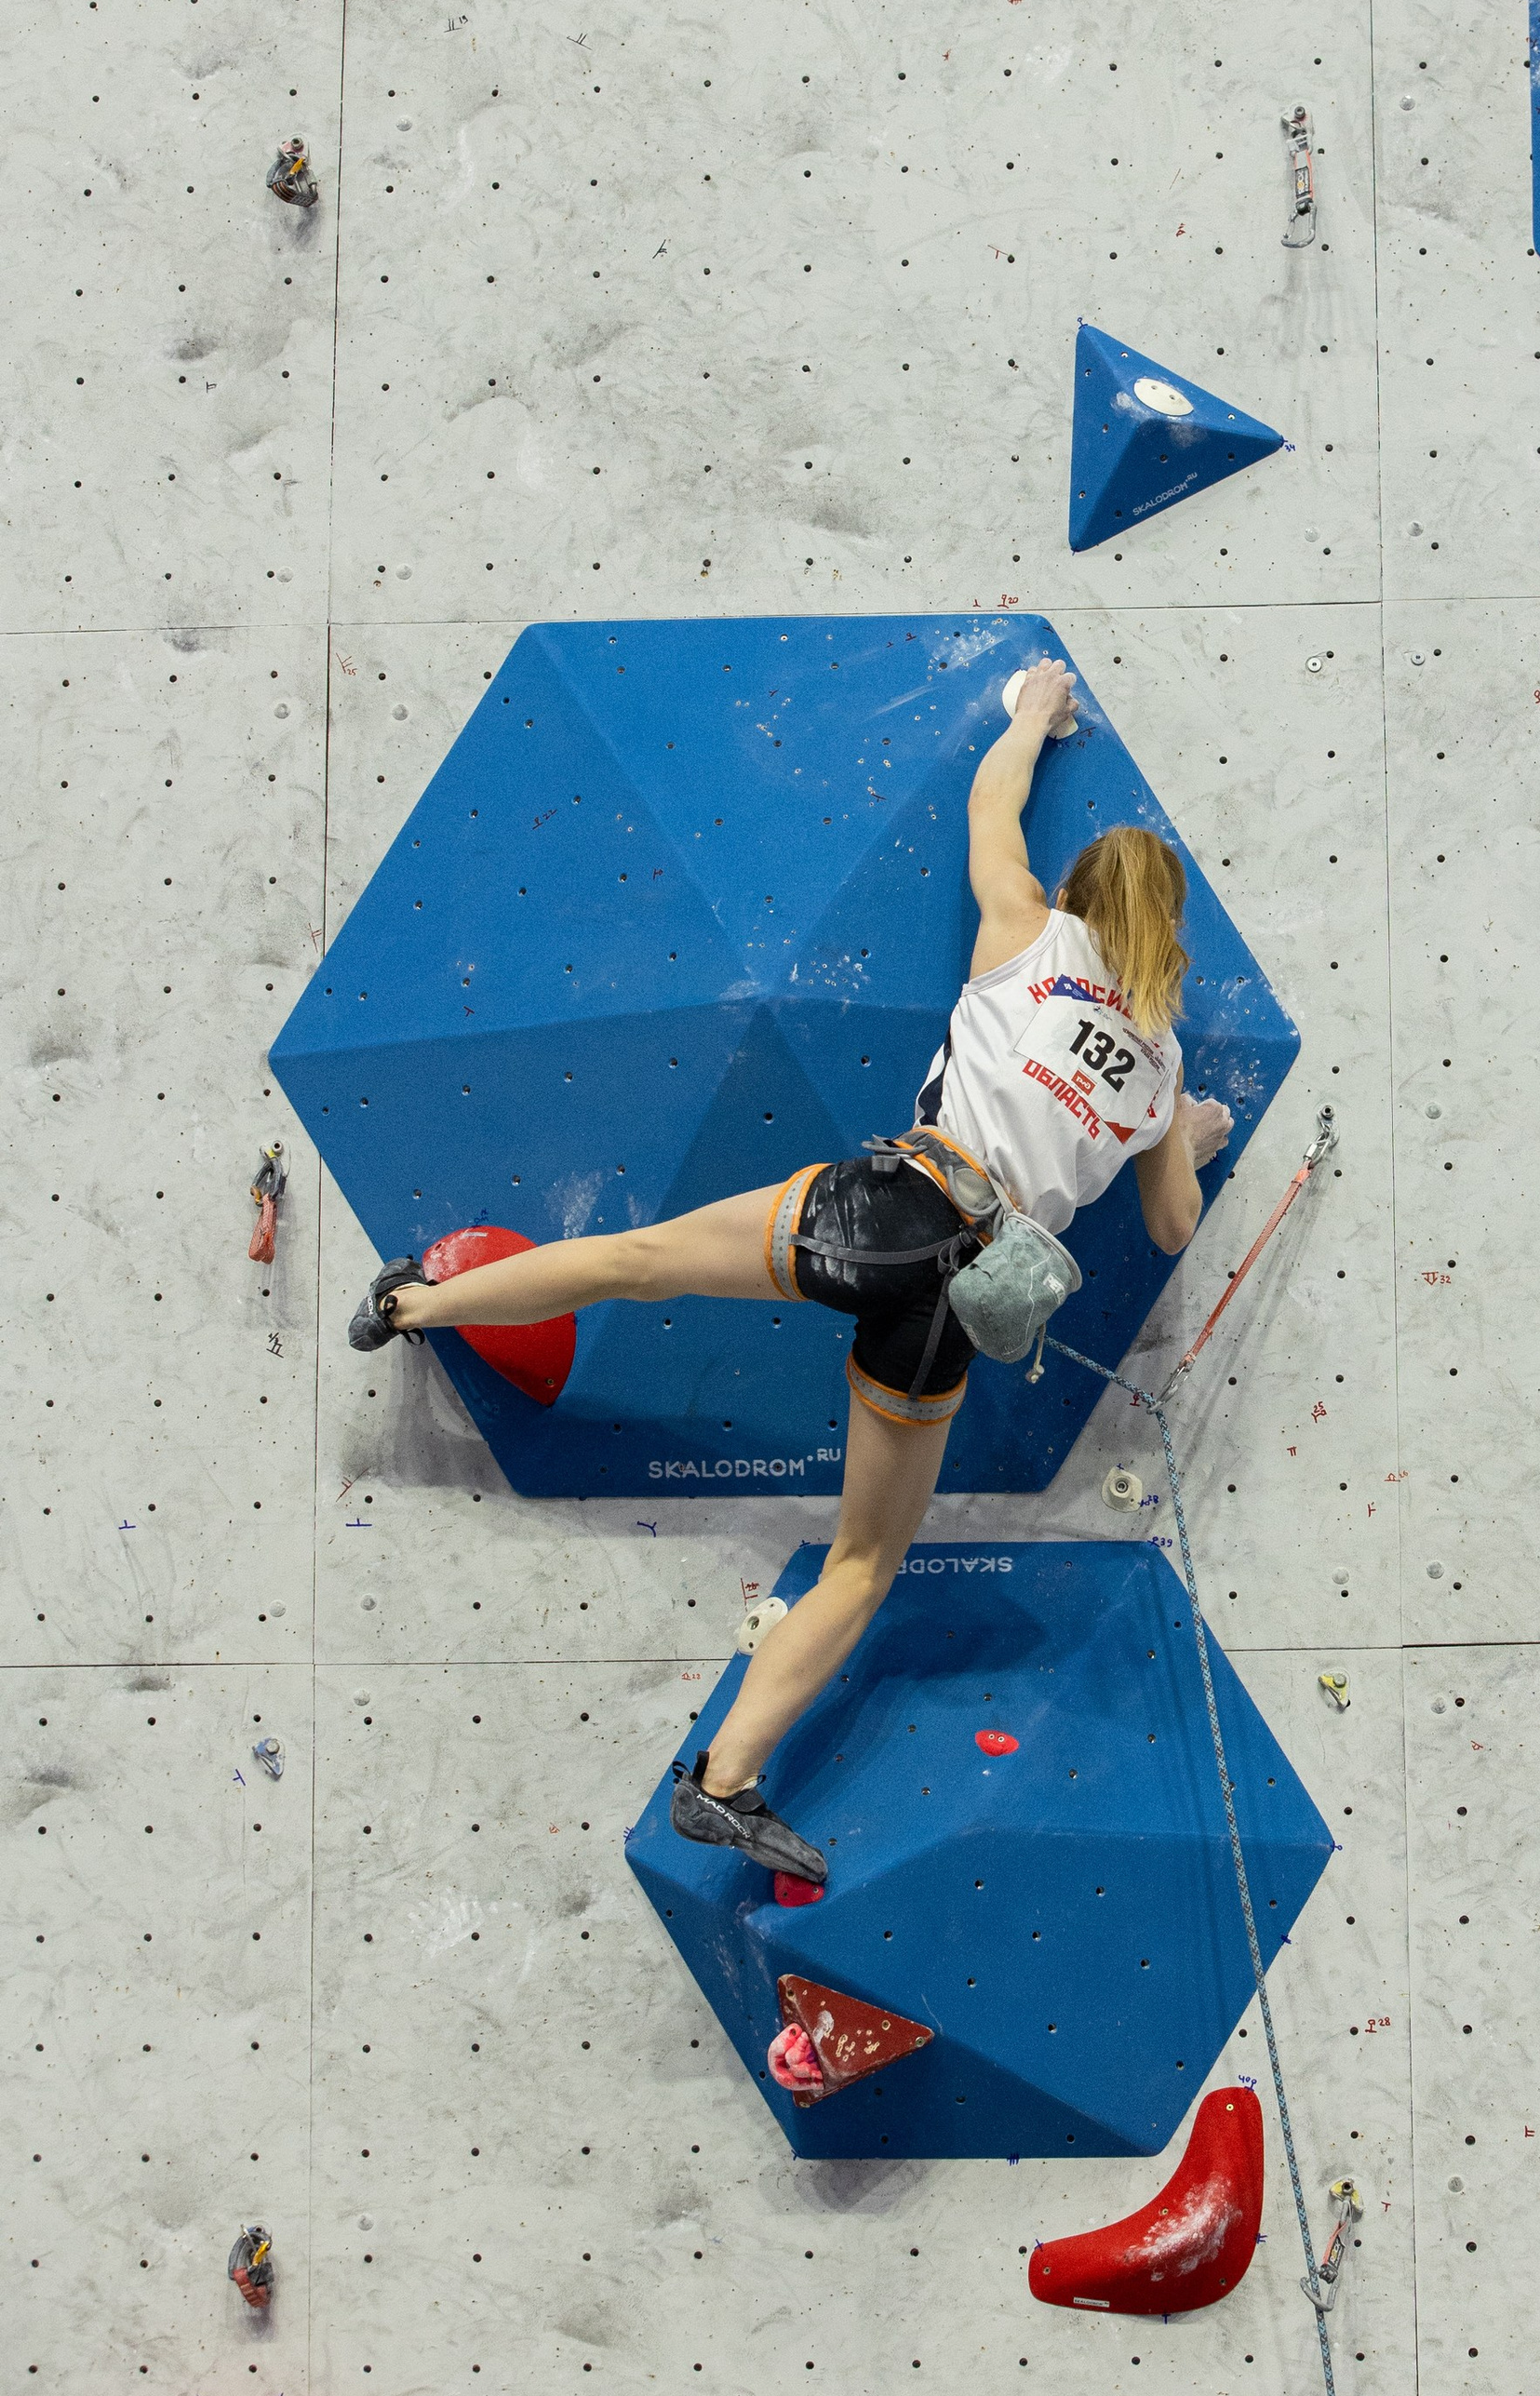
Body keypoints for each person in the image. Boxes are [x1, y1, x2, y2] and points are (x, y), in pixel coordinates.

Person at [348, 661, 1229, 1889]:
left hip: (891, 1210)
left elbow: (994, 807)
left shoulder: (1032, 930)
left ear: (1085, 892)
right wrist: (1181, 1137)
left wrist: (1031, 716)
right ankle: (723, 1784)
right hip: (967, 1302)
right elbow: (1176, 1228)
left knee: (641, 1264)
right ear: (1172, 933)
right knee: (864, 1563)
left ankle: (413, 1304)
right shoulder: (1162, 1061)